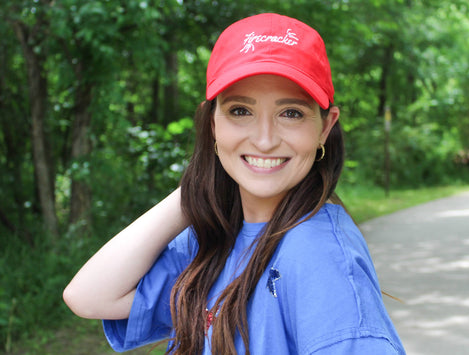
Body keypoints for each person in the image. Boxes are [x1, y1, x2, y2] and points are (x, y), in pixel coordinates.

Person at [63, 13, 405, 355]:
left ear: (325, 127)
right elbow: (90, 296)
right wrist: (198, 188)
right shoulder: (212, 239)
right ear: (213, 123)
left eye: (291, 113)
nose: (265, 140)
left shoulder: (317, 253)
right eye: (241, 111)